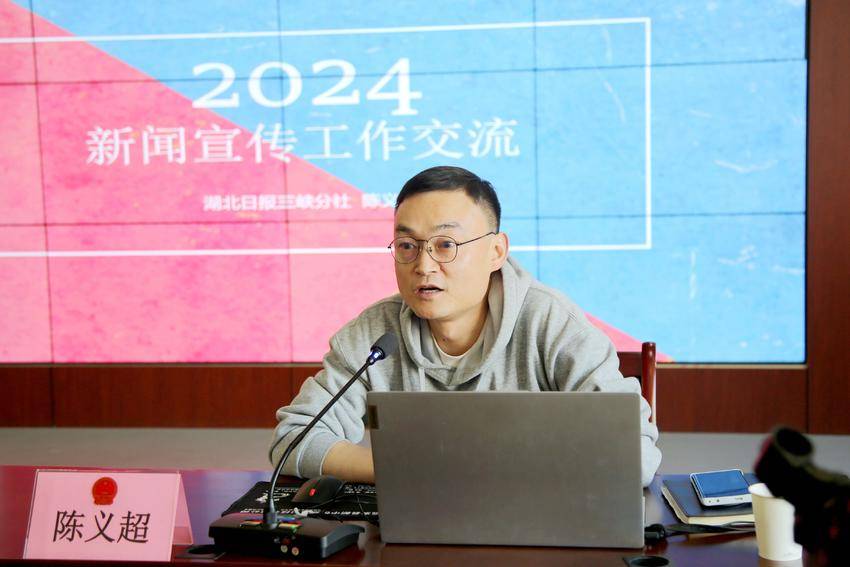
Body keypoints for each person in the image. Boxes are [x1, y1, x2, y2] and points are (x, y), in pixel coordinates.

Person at [271, 166, 661, 487]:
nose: (423, 265)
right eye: (407, 246)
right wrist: (406, 469)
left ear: (496, 251)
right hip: (416, 531)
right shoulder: (376, 334)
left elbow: (636, 454)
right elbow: (293, 440)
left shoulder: (552, 323)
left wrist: (485, 474)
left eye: (446, 244)